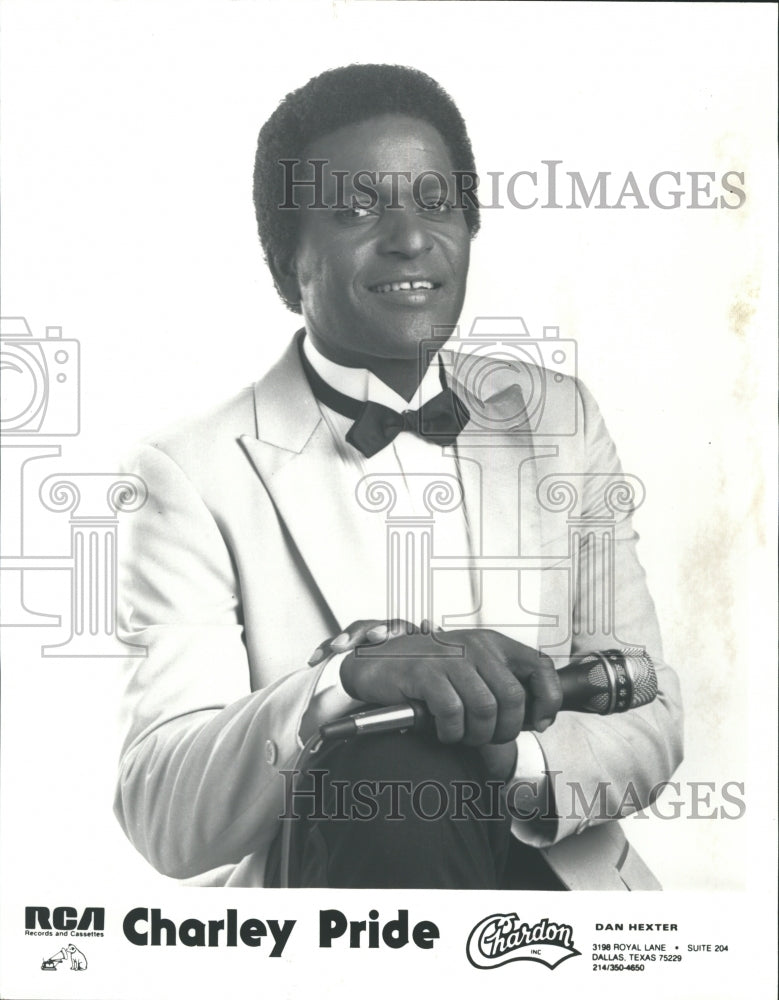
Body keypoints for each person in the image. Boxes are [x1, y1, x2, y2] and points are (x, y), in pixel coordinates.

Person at [114, 64, 683, 889]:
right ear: (286, 265)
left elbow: (650, 714)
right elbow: (164, 813)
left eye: (436, 202)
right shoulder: (188, 473)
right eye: (354, 210)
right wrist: (342, 684)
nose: (411, 239)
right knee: (382, 780)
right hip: (348, 892)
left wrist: (505, 748)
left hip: (559, 889)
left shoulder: (559, 415)